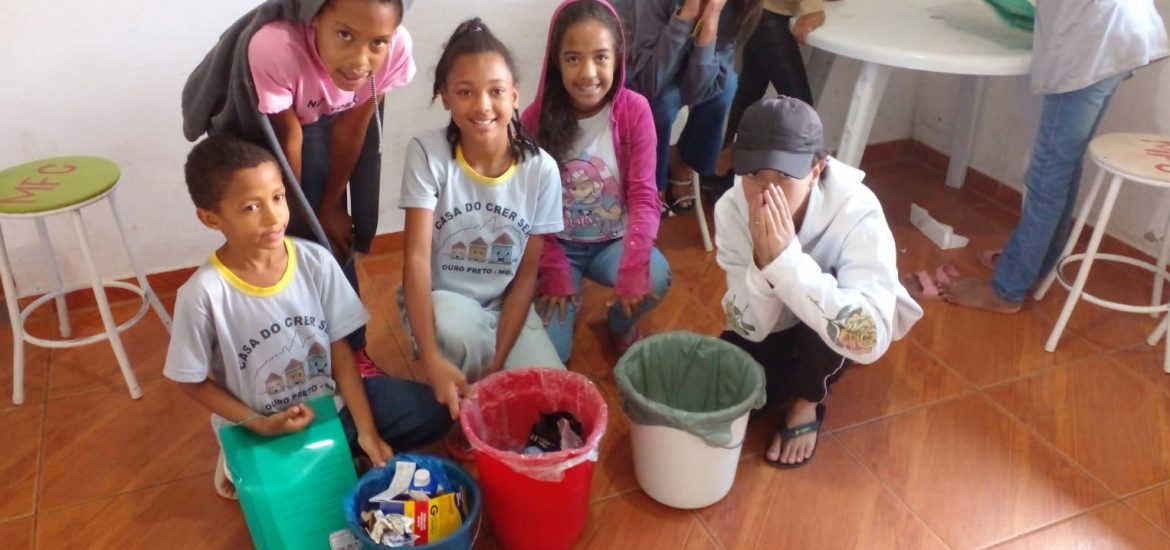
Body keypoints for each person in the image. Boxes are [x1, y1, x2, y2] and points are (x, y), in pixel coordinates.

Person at [164, 135, 450, 499]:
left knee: (431, 410)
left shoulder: (314, 261)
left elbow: (340, 350)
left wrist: (366, 431)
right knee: (283, 500)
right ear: (210, 218)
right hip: (263, 424)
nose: (273, 217)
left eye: (278, 197)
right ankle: (254, 458)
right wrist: (260, 425)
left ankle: (344, 448)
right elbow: (190, 381)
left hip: (330, 408)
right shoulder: (203, 294)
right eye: (251, 207)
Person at [182, 0, 416, 375]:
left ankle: (352, 350)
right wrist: (295, 215)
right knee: (279, 239)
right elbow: (288, 137)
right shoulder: (275, 47)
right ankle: (288, 350)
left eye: (377, 42)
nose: (361, 59)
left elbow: (351, 126)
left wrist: (331, 205)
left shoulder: (396, 47)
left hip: (331, 120)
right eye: (345, 35)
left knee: (335, 243)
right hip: (268, 126)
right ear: (316, 18)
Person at [714, 97, 922, 467]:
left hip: (827, 326)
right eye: (753, 174)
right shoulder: (731, 208)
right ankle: (783, 381)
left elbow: (869, 337)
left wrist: (786, 264)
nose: (765, 192)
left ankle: (806, 403)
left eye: (782, 177)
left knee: (829, 325)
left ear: (816, 169)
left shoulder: (857, 210)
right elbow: (747, 324)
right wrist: (763, 267)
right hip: (777, 319)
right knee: (726, 379)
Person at [938, 0, 1170, 312]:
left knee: (1048, 174)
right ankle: (1035, 266)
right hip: (1115, 32)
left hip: (1091, 44)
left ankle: (1007, 290)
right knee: (1062, 168)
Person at [399, 18, 566, 421]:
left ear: (514, 95)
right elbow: (417, 261)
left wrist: (500, 360)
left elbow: (527, 275)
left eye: (495, 91)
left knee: (554, 402)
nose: (482, 105)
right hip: (444, 305)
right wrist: (433, 359)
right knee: (454, 328)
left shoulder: (541, 170)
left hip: (503, 308)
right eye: (465, 92)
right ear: (445, 97)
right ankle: (462, 399)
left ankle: (482, 373)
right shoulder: (426, 153)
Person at [521, 0, 670, 362]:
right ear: (556, 62)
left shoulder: (634, 111)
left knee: (657, 277)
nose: (588, 72)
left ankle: (619, 327)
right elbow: (529, 210)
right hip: (559, 249)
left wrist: (635, 265)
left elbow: (645, 197)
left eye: (600, 57)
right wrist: (554, 270)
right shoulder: (533, 120)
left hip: (614, 242)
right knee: (552, 356)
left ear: (618, 58)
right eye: (573, 58)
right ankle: (565, 295)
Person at [613, 0, 761, 214]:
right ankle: (652, 183)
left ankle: (684, 162)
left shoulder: (739, 6)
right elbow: (649, 83)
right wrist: (687, 14)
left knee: (725, 87)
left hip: (680, 62)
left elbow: (696, 91)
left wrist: (711, 19)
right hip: (634, 61)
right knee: (664, 101)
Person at [710, 0, 825, 187]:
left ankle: (727, 169)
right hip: (767, 11)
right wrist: (812, 8)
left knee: (750, 90)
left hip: (761, 10)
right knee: (800, 107)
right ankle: (807, 186)